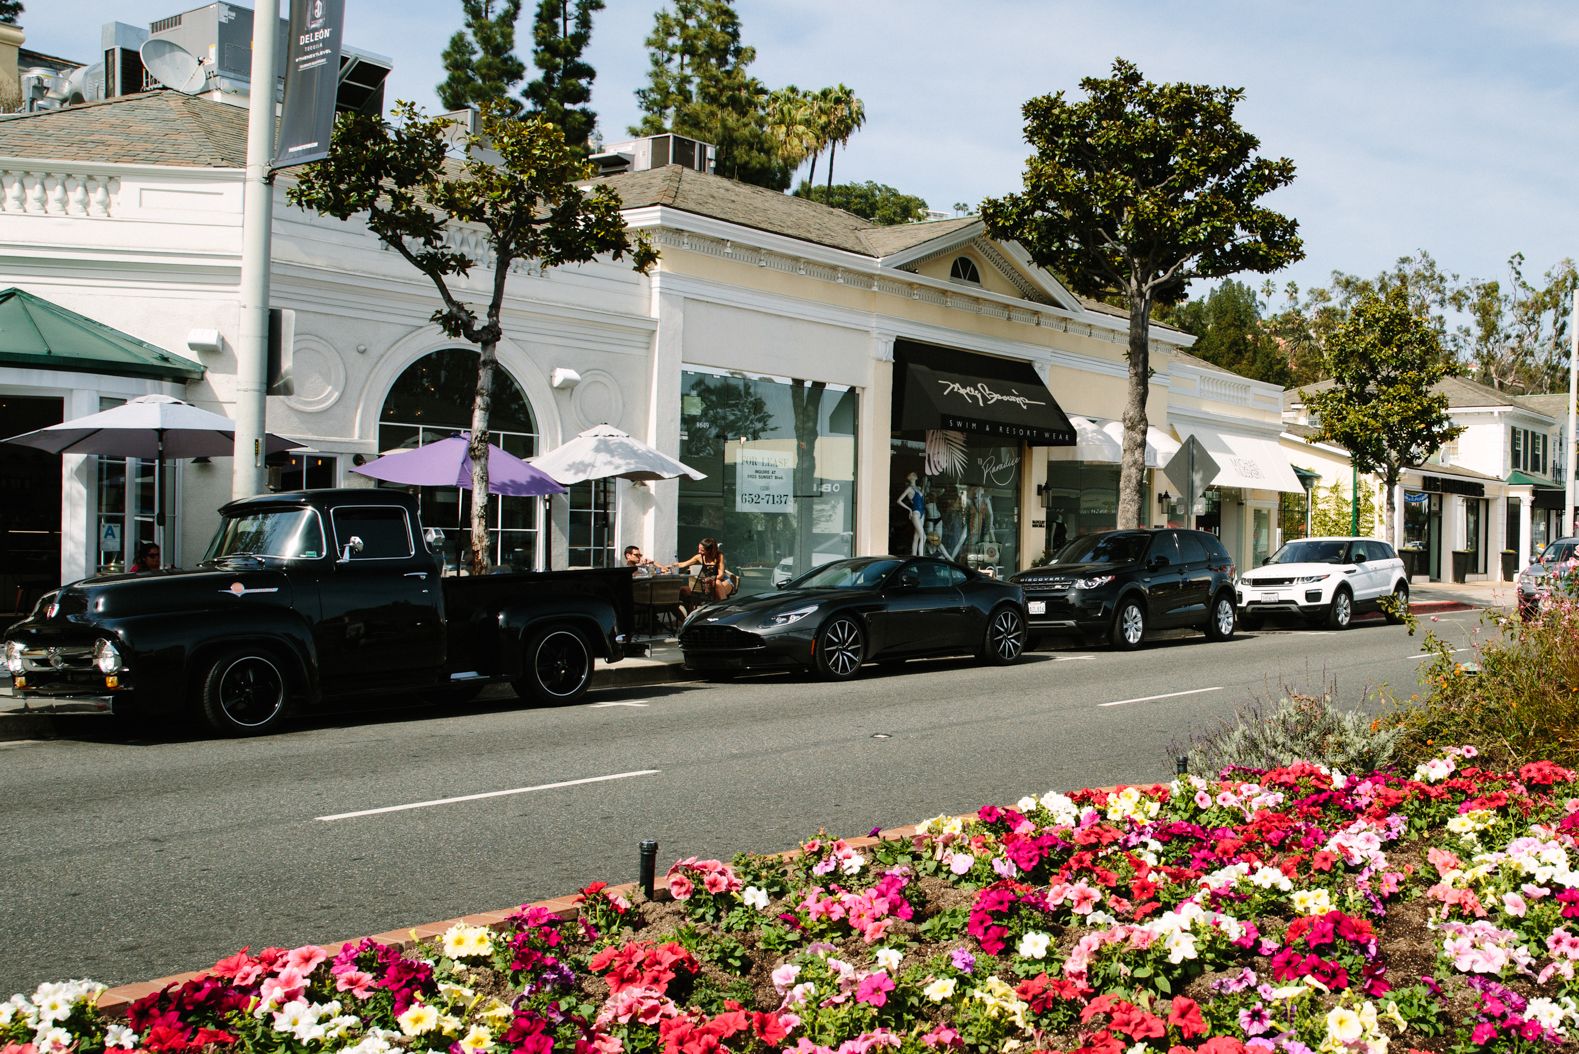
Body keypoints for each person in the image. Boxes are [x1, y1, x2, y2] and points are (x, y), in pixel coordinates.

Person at [675, 537, 735, 605]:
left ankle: (723, 608)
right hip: (707, 583)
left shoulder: (719, 556)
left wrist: (710, 578)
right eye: (699, 549)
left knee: (717, 583)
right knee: (683, 590)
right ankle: (693, 612)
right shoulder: (699, 557)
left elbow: (721, 575)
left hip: (723, 581)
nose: (699, 552)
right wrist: (670, 566)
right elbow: (683, 564)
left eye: (702, 550)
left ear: (710, 550)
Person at [895, 472, 925, 555]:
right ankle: (921, 558)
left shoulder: (918, 488)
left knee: (917, 537)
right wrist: (909, 509)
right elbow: (899, 501)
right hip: (915, 512)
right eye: (912, 474)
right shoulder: (909, 488)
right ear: (910, 477)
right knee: (923, 536)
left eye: (915, 474)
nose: (914, 474)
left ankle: (914, 557)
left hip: (922, 512)